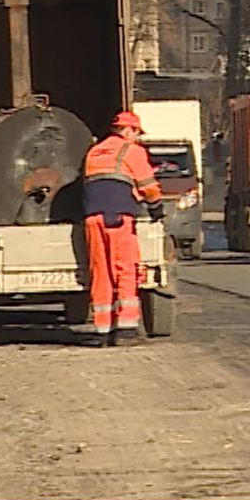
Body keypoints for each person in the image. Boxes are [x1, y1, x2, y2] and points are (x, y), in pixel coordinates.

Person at [81, 111, 164, 346]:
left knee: (101, 273)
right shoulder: (132, 150)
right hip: (117, 216)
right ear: (128, 130)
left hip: (92, 217)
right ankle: (126, 330)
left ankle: (102, 330)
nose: (137, 138)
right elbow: (148, 185)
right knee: (125, 270)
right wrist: (156, 207)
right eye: (136, 133)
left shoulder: (94, 151)